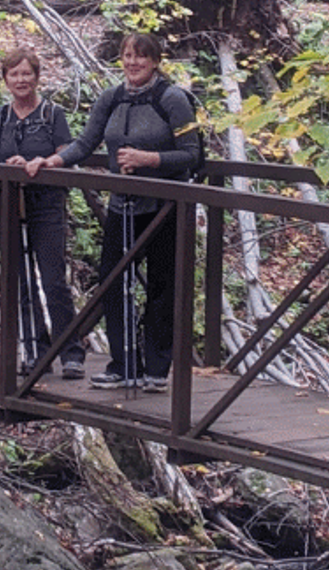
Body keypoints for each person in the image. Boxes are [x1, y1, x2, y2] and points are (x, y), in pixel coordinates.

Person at [25, 31, 200, 391]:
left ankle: (156, 369)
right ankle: (124, 365)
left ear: (154, 61)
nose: (133, 63)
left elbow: (192, 154)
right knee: (114, 283)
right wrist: (51, 160)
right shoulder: (112, 97)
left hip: (166, 206)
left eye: (141, 56)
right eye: (127, 55)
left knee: (162, 288)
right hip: (123, 206)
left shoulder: (173, 99)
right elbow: (87, 142)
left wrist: (150, 159)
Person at [0, 48, 83, 381]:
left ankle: (71, 353)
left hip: (47, 205)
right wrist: (5, 166)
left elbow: (65, 153)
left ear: (37, 77)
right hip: (9, 205)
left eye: (27, 74)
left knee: (53, 280)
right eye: (14, 74)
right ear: (6, 79)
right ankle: (36, 352)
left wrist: (38, 165)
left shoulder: (53, 115)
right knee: (20, 281)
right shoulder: (0, 117)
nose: (21, 80)